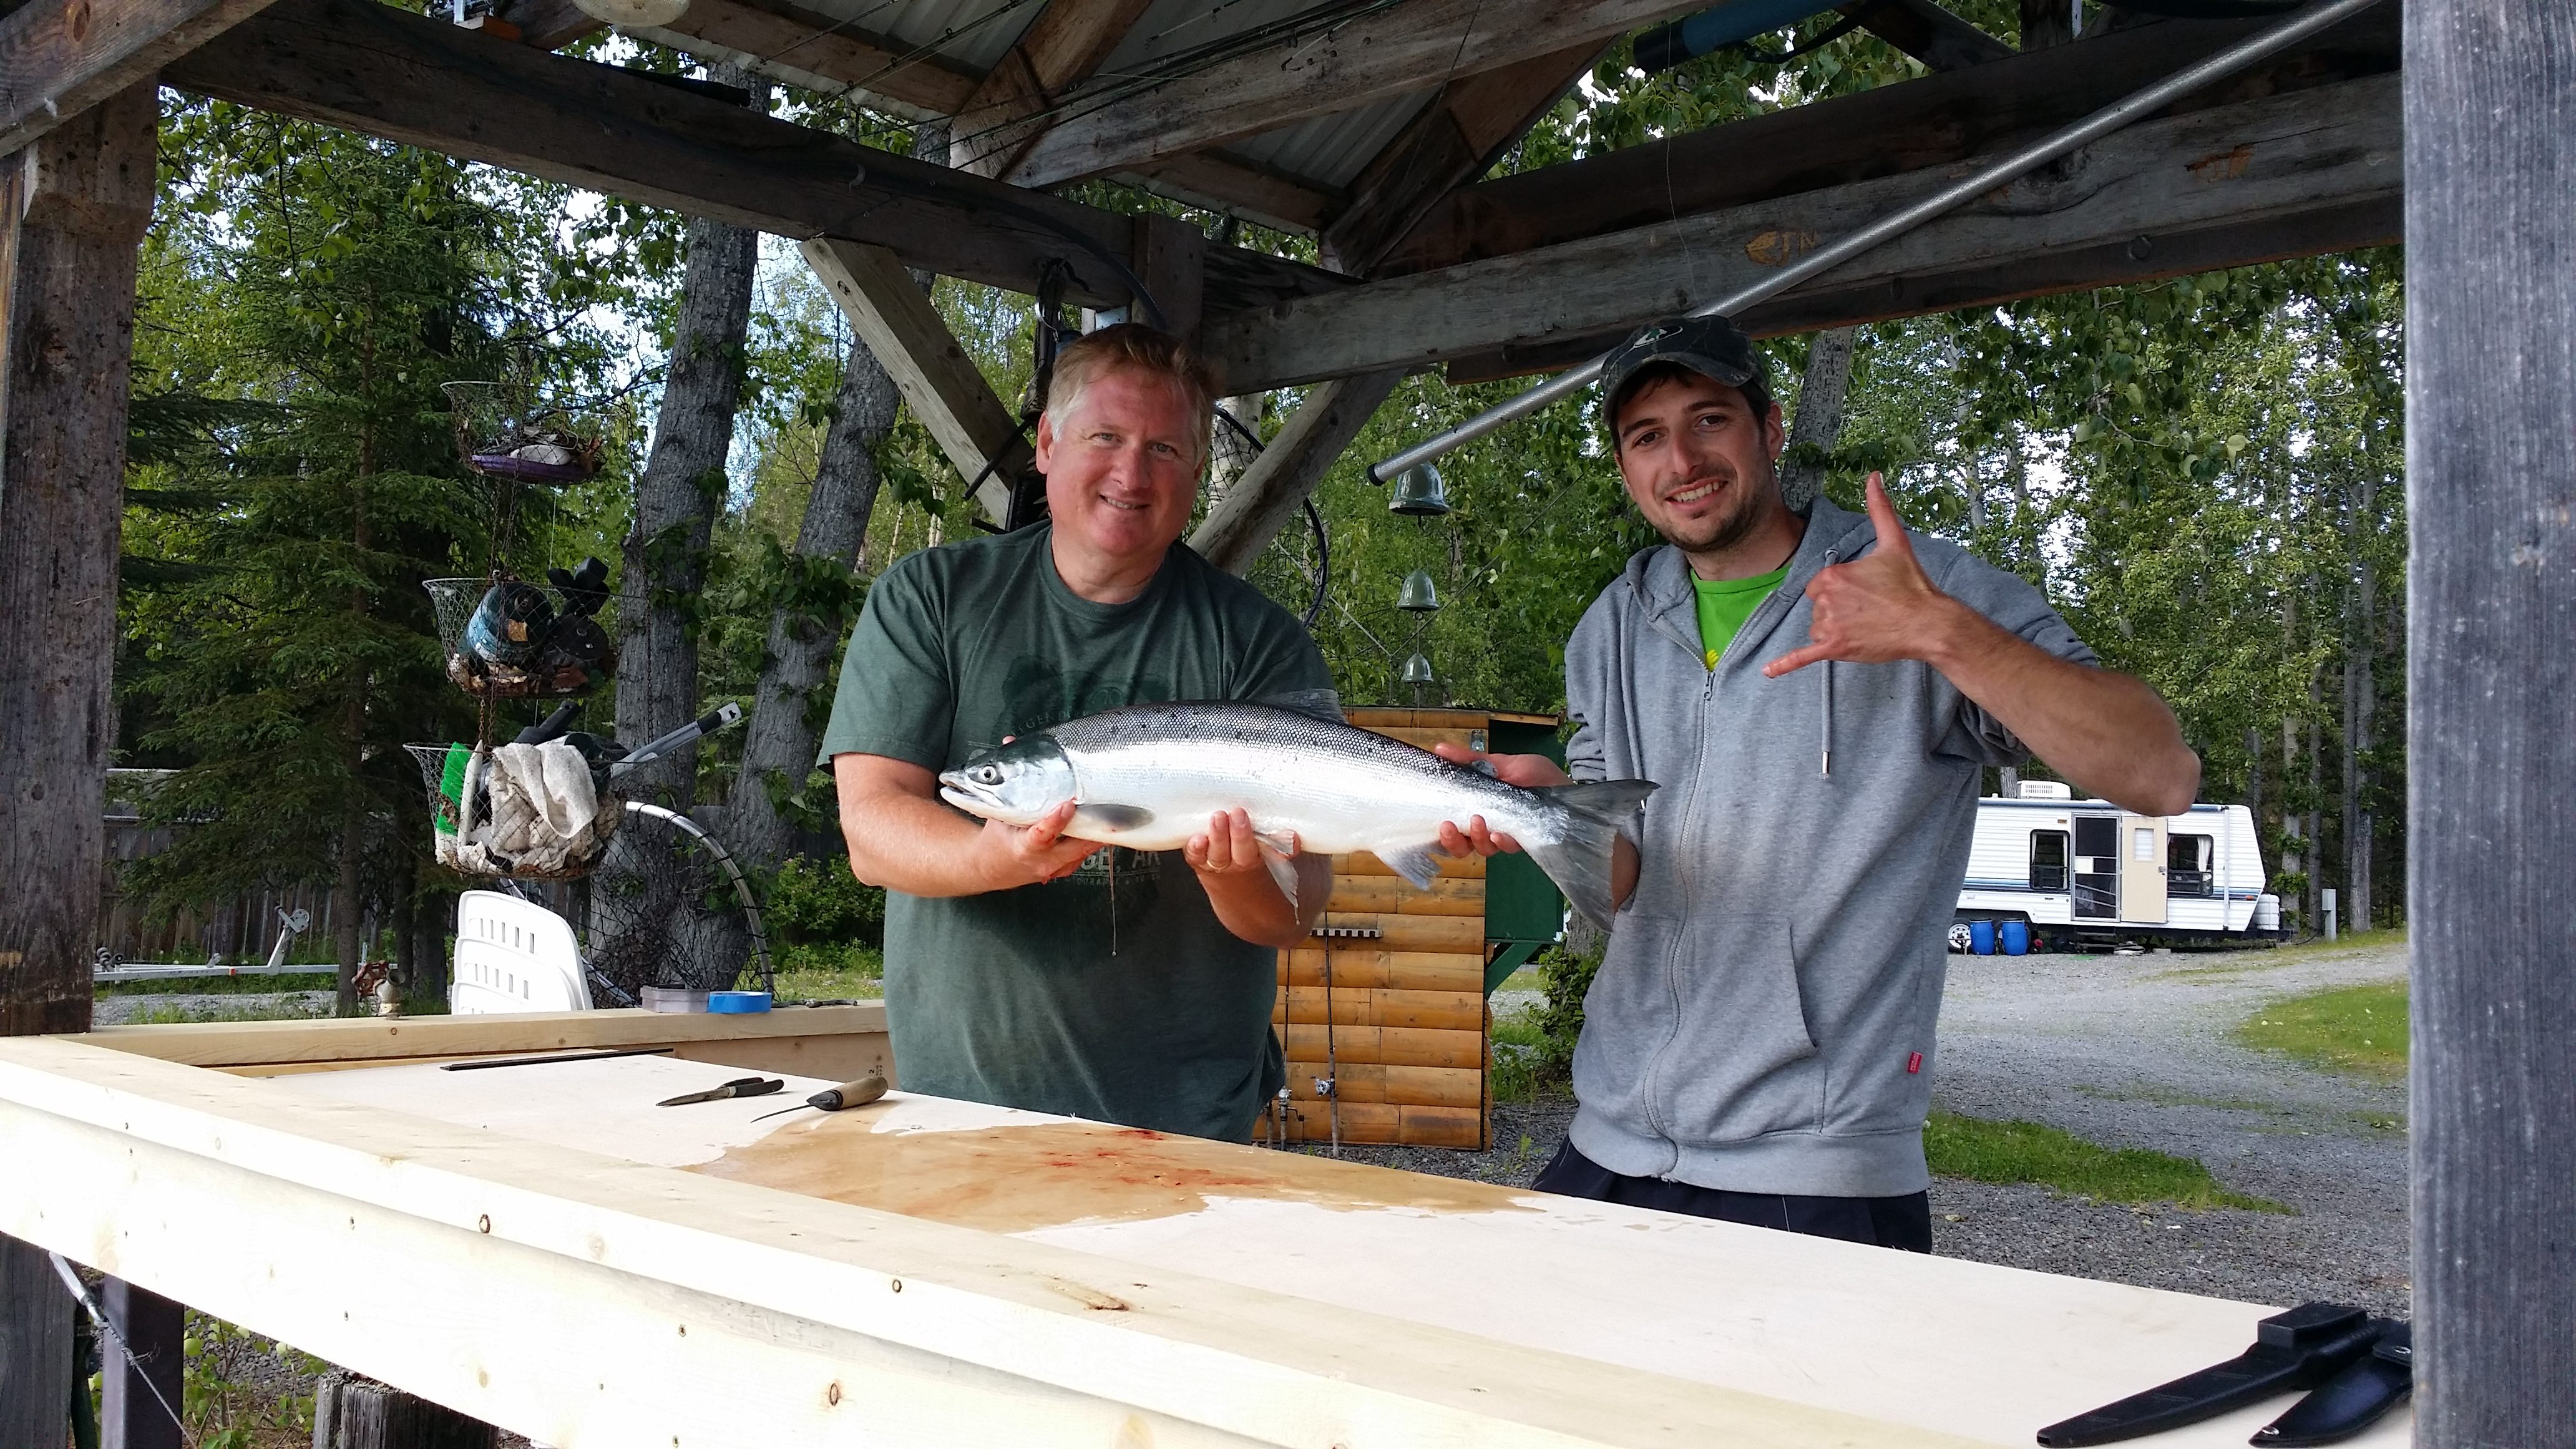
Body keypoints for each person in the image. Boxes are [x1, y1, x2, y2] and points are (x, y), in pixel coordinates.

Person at [1440, 313, 2200, 1251]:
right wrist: (1552, 808)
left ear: (1770, 428)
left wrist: (1941, 632)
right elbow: (1627, 881)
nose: (1682, 458)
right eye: (1647, 437)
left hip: (1819, 1166)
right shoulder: (1613, 625)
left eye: (1709, 419)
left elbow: (2159, 773)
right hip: (1610, 1138)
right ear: (1626, 466)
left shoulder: (1912, 586)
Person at [817, 323, 1332, 1141]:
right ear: (1048, 445)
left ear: (1197, 472)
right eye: (1107, 437)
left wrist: (1233, 873)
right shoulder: (932, 598)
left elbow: (1291, 913)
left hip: (1190, 1125)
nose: (1132, 473)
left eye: (1165, 449)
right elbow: (872, 830)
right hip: (960, 1112)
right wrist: (992, 857)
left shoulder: (1258, 641)